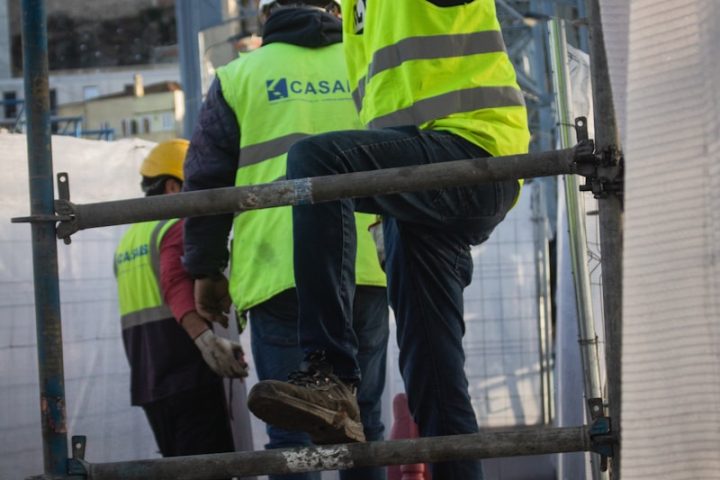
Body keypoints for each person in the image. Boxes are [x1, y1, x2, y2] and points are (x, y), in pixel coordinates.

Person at [247, 1, 530, 479]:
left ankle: (332, 374)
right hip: (422, 184)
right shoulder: (358, 12)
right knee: (435, 385)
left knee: (317, 162)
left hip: (471, 151)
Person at [181, 1, 389, 479]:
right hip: (363, 266)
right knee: (366, 425)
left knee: (290, 434)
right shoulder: (365, 63)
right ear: (336, 10)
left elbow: (207, 183)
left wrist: (206, 270)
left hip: (279, 269)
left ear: (266, 15)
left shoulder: (239, 76)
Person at [114, 139, 248, 458]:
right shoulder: (176, 225)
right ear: (173, 187)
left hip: (150, 380)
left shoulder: (130, 239)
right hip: (191, 373)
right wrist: (206, 340)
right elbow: (174, 282)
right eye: (197, 185)